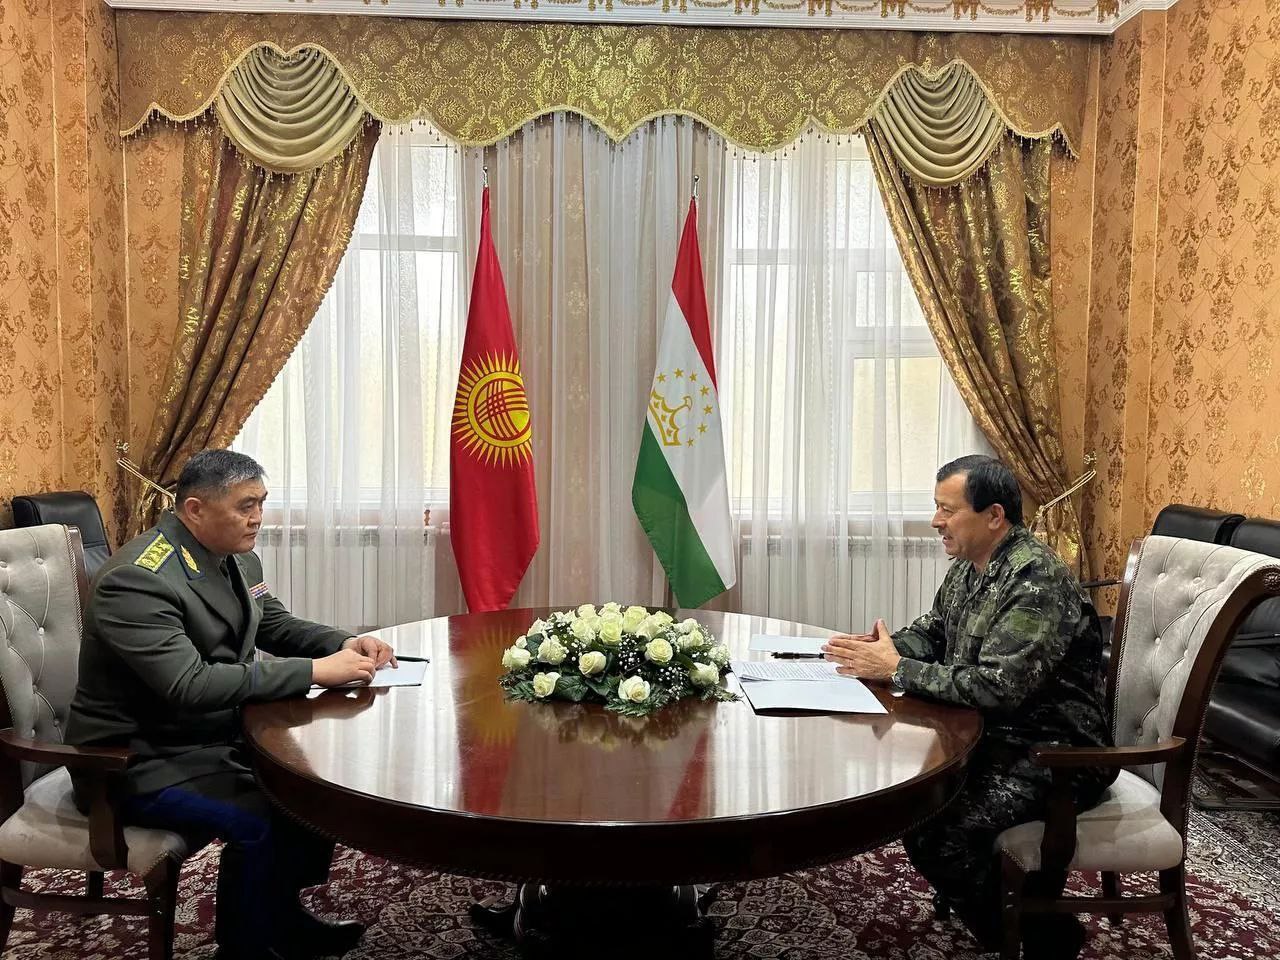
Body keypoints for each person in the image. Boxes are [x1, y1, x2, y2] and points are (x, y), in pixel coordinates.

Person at [67, 450, 397, 960]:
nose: (258, 517)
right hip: (137, 759)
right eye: (245, 506)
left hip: (209, 736)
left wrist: (344, 643)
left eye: (262, 502)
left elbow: (273, 624)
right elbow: (189, 684)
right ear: (195, 509)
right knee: (259, 817)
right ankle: (244, 948)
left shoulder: (239, 557)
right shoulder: (137, 579)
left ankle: (281, 920)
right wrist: (314, 672)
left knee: (311, 790)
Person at [822, 455, 1115, 960]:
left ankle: (1047, 939)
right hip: (994, 736)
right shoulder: (969, 567)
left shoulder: (1035, 580)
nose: (935, 521)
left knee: (937, 829)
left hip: (1054, 754)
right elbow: (933, 632)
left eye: (947, 509)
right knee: (912, 806)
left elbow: (999, 687)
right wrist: (877, 653)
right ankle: (1005, 911)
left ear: (994, 515)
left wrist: (896, 669)